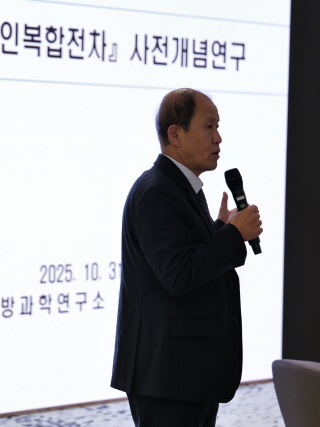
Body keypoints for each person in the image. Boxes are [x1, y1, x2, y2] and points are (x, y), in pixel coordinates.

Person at [110, 88, 263, 427]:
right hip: (167, 377)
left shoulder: (179, 188)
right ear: (175, 135)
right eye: (209, 127)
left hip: (187, 373)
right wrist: (233, 235)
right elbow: (179, 275)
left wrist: (219, 229)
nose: (218, 138)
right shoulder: (157, 192)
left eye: (218, 127)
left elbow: (182, 254)